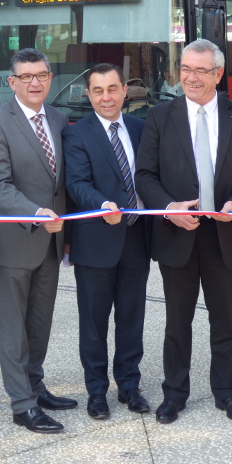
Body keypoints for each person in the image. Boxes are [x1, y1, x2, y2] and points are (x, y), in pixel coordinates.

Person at [135, 39, 232, 424]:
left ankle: (227, 394)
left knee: (225, 321)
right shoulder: (159, 117)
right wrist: (169, 209)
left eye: (200, 70)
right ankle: (174, 394)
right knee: (177, 323)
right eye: (185, 69)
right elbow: (145, 175)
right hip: (178, 234)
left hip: (225, 233)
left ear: (218, 74)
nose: (190, 77)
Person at [0, 48, 76, 433]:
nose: (35, 82)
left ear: (50, 78)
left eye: (42, 75)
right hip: (16, 239)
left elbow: (60, 185)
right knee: (13, 326)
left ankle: (36, 386)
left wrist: (66, 235)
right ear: (12, 82)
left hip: (52, 241)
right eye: (26, 76)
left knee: (40, 322)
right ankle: (22, 404)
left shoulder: (59, 117)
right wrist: (35, 214)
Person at [62, 63, 151, 420]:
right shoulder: (77, 134)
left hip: (135, 237)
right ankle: (96, 391)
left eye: (112, 89)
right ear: (88, 95)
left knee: (132, 318)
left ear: (124, 90)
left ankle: (129, 386)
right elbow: (76, 183)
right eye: (98, 91)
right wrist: (101, 204)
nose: (106, 97)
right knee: (94, 323)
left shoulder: (141, 129)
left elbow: (149, 177)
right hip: (96, 240)